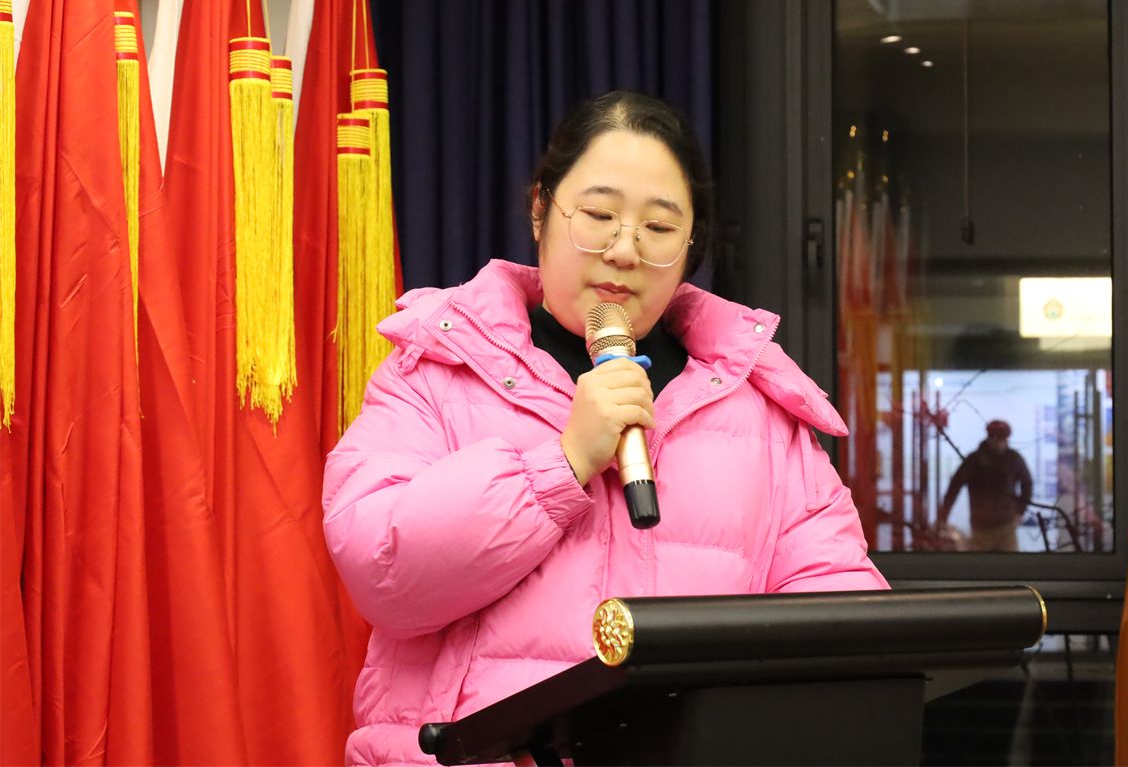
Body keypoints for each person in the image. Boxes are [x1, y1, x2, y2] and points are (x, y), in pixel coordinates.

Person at [322, 90, 888, 766]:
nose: (624, 250)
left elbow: (839, 617)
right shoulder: (437, 366)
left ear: (691, 243)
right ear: (541, 208)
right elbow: (382, 573)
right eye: (598, 215)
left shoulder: (755, 406)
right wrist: (561, 463)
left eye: (659, 227)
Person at [936, 419, 1033, 552]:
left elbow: (1027, 484)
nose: (1000, 442)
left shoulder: (1013, 459)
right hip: (982, 528)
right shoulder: (974, 461)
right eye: (997, 438)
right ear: (989, 437)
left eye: (1003, 438)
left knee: (1005, 564)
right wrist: (943, 518)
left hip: (1006, 526)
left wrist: (1020, 511)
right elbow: (954, 487)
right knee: (988, 564)